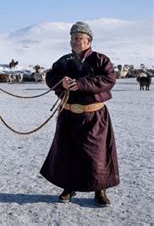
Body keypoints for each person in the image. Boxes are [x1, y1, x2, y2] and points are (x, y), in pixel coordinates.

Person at [40, 22, 119, 207]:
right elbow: (50, 77)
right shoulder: (64, 61)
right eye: (73, 38)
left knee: (97, 155)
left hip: (94, 116)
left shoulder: (101, 60)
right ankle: (69, 187)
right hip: (68, 115)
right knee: (68, 154)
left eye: (79, 38)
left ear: (89, 41)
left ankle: (100, 190)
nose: (75, 41)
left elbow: (108, 80)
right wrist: (62, 82)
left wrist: (82, 83)